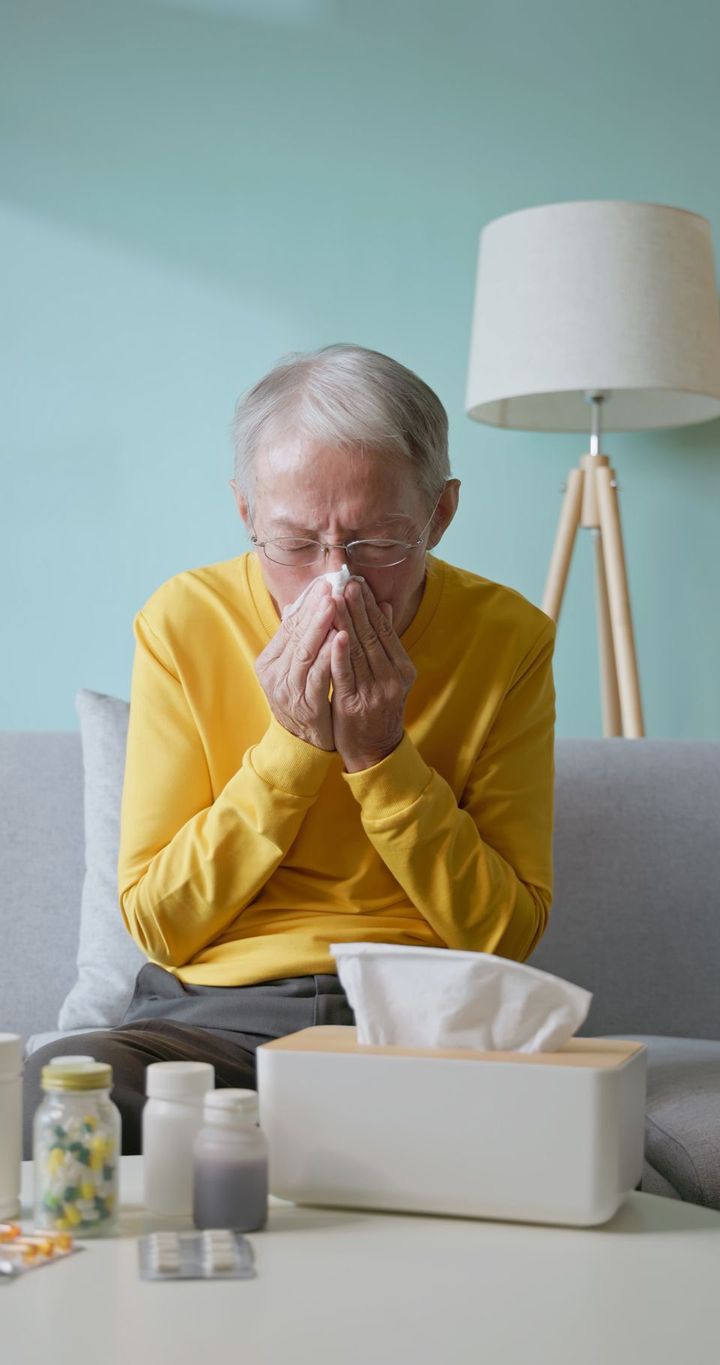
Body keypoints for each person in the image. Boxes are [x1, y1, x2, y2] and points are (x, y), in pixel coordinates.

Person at [23, 343, 556, 1155]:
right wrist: (296, 746)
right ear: (246, 514)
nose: (333, 583)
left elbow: (505, 934)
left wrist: (383, 760)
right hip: (206, 1024)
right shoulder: (184, 621)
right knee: (53, 1098)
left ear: (440, 516)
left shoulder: (509, 637)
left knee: (558, 1141)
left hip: (420, 1024)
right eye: (295, 543)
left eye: (378, 543)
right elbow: (160, 925)